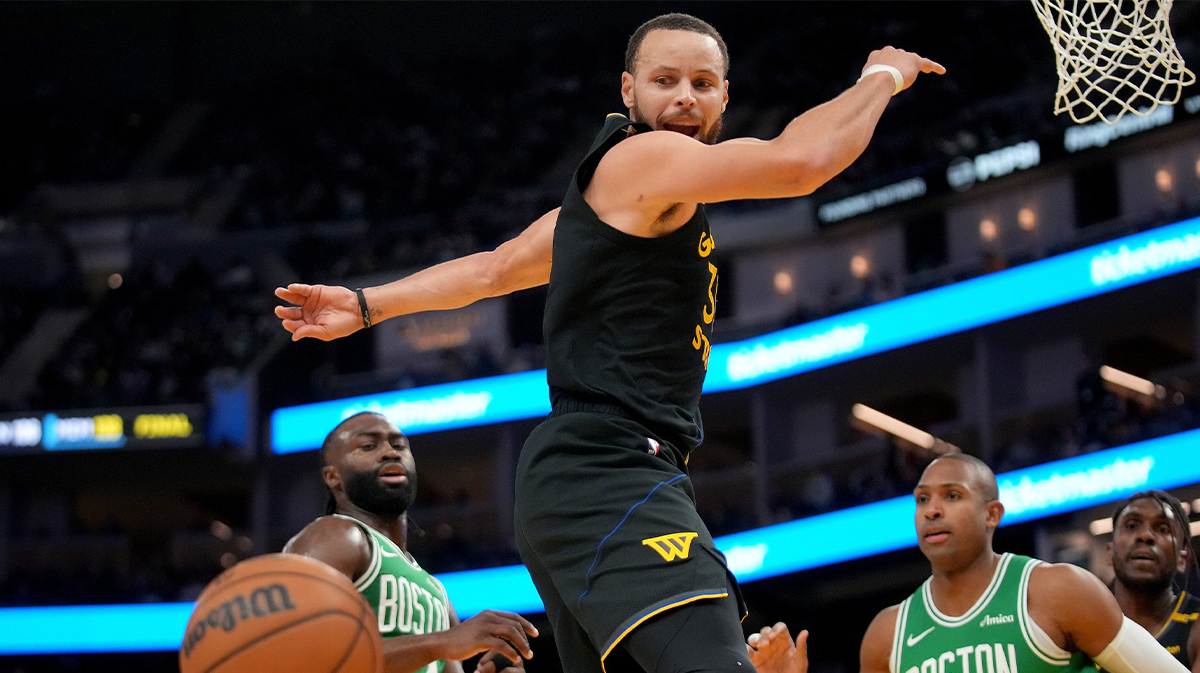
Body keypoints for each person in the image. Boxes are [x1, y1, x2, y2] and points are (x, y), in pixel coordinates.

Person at [275, 12, 944, 673]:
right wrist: (882, 75)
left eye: (704, 83)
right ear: (629, 92)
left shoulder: (613, 197)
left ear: (724, 98)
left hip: (576, 477)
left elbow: (496, 269)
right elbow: (804, 161)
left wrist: (368, 305)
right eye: (665, 79)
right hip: (608, 468)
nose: (685, 94)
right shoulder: (641, 161)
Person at [747, 454, 1191, 673]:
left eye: (952, 496)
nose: (932, 510)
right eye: (923, 499)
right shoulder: (887, 635)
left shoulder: (1059, 590)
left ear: (991, 515)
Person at [284, 411, 539, 673]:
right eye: (369, 446)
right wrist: (438, 642)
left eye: (398, 445)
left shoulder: (435, 591)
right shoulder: (335, 535)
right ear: (332, 476)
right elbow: (297, 651)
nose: (389, 452)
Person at [1107, 491, 1200, 671]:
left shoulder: (1196, 623)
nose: (1145, 535)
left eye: (1163, 529)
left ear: (1182, 559)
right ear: (1110, 552)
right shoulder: (1082, 621)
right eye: (1132, 525)